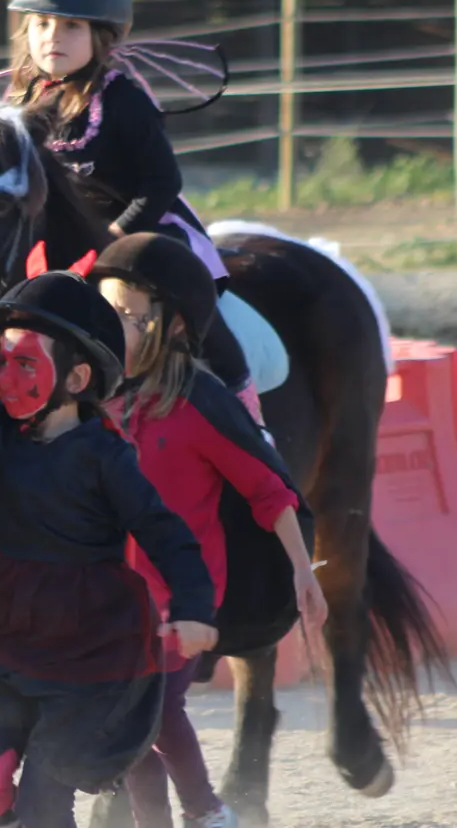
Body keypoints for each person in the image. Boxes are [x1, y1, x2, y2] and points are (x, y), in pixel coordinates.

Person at [0, 272, 216, 828]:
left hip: (88, 655)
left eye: (25, 364)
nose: (1, 377)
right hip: (0, 643)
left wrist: (194, 606)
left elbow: (166, 532)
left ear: (77, 376)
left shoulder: (105, 456)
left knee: (44, 798)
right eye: (0, 360)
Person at [88, 234, 328, 828]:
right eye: (105, 310)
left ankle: (207, 812)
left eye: (128, 316)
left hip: (180, 598)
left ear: (170, 327)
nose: (112, 326)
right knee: (127, 735)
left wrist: (302, 569)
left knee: (157, 716)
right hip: (105, 604)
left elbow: (270, 490)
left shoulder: (197, 402)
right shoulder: (93, 400)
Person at [2, 0, 262, 424]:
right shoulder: (20, 103)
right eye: (41, 24)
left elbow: (162, 182)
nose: (52, 37)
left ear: (103, 36)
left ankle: (246, 411)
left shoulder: (124, 100)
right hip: (60, 237)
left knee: (199, 307)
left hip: (140, 229)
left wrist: (114, 238)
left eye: (70, 26)